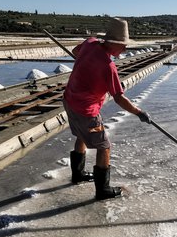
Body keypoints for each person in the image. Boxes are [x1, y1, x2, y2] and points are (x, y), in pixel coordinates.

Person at [63, 17, 151, 200]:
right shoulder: (108, 66)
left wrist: (86, 66)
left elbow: (75, 51)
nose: (125, 49)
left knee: (82, 135)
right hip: (86, 111)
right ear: (111, 42)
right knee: (104, 146)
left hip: (70, 101)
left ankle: (78, 174)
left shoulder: (90, 43)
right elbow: (119, 98)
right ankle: (103, 189)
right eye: (123, 45)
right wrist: (139, 112)